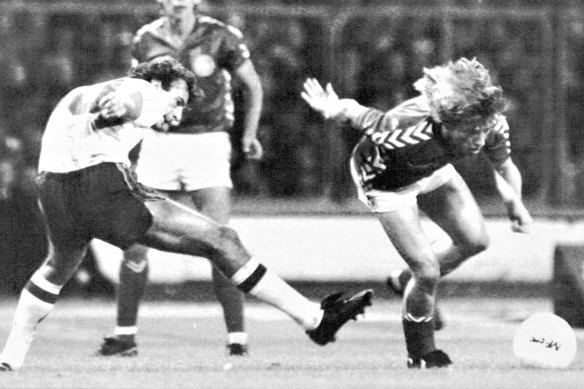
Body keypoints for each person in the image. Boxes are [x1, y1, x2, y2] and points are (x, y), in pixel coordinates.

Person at [0, 56, 373, 372]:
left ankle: (10, 359)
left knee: (57, 265)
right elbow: (128, 99)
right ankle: (314, 321)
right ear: (160, 83)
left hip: (52, 189)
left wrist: (113, 111)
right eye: (178, 100)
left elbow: (98, 108)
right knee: (222, 239)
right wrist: (120, 109)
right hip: (101, 186)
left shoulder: (80, 92)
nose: (178, 112)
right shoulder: (146, 91)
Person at [301, 57, 532, 369]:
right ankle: (421, 353)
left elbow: (504, 167)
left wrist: (514, 202)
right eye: (469, 132)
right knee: (427, 271)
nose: (478, 140)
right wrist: (332, 108)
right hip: (385, 179)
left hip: (431, 168)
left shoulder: (489, 123)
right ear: (447, 123)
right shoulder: (405, 129)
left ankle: (404, 281)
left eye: (481, 130)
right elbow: (358, 114)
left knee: (475, 240)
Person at [97, 0, 264, 357]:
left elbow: (252, 84)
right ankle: (125, 336)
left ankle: (237, 338)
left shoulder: (221, 36)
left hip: (207, 141)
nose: (176, 6)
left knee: (221, 238)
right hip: (160, 144)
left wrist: (249, 134)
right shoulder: (146, 38)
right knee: (136, 236)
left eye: (183, 2)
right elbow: (135, 93)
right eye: (170, 2)